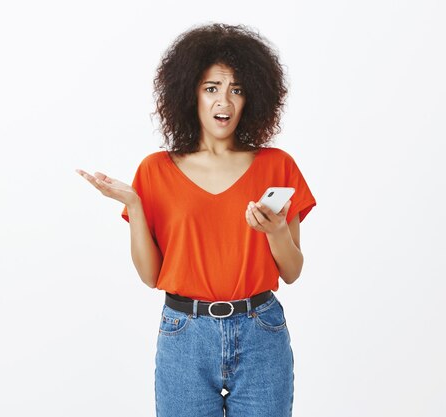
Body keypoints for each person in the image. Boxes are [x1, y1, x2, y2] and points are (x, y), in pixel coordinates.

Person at [76, 23, 316, 417]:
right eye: (212, 88)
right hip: (184, 335)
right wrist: (135, 207)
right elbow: (151, 277)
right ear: (190, 93)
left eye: (237, 89)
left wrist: (275, 233)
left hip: (261, 332)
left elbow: (292, 271)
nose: (225, 100)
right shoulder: (156, 170)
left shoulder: (278, 165)